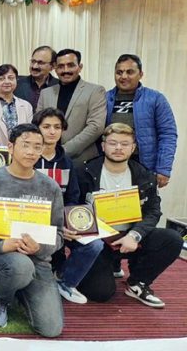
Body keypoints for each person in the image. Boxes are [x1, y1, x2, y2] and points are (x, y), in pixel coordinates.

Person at [0, 124, 64, 337]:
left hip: (37, 259)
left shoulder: (50, 187)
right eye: (25, 145)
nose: (31, 152)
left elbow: (59, 234)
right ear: (10, 147)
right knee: (20, 266)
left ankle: (18, 290)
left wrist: (40, 247)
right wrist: (0, 245)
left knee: (51, 329)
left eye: (37, 147)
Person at [76, 123, 182, 307]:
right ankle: (104, 267)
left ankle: (138, 282)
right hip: (98, 240)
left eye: (125, 144)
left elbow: (153, 211)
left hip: (130, 236)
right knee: (100, 293)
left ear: (133, 147)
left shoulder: (145, 175)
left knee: (172, 239)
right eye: (113, 143)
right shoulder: (85, 172)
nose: (118, 148)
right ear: (103, 146)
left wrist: (134, 235)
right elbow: (74, 208)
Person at [32, 108, 103, 304]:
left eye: (57, 127)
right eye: (46, 127)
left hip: (62, 224)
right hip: (35, 225)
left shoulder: (68, 163)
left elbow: (73, 198)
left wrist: (67, 226)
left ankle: (65, 280)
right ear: (36, 129)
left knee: (94, 244)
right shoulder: (27, 159)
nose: (52, 131)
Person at [105, 54, 177, 189]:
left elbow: (168, 134)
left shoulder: (155, 99)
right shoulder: (105, 99)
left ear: (141, 74)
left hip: (143, 166)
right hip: (110, 165)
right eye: (119, 72)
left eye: (130, 72)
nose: (124, 76)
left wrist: (163, 168)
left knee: (143, 208)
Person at [37, 49, 106, 166]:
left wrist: (63, 151)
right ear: (55, 68)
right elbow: (37, 124)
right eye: (61, 66)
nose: (65, 70)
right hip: (46, 159)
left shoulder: (95, 91)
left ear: (80, 67)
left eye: (70, 65)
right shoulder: (45, 93)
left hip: (82, 160)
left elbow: (96, 126)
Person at [0, 64, 34, 145]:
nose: (6, 81)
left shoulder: (26, 106)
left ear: (16, 80)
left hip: (21, 152)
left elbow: (30, 133)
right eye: (1, 79)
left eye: (11, 78)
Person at [15, 46, 59, 111]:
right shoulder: (17, 84)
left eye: (40, 63)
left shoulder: (59, 86)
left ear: (52, 66)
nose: (34, 66)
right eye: (33, 61)